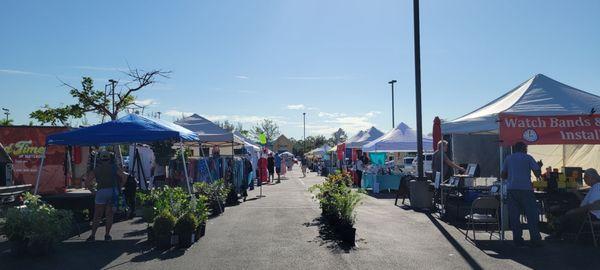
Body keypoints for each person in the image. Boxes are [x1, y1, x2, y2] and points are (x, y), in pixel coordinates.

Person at [501, 142, 543, 247]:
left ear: (514, 149)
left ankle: (517, 239)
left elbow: (503, 175)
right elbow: (537, 174)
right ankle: (535, 238)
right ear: (524, 148)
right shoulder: (528, 158)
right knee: (531, 215)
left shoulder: (508, 158)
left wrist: (511, 175)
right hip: (526, 189)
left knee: (515, 216)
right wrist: (539, 166)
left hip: (512, 189)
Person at [547, 168, 600, 240]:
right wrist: (576, 193)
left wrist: (575, 211)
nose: (584, 180)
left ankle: (557, 229)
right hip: (591, 213)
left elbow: (592, 206)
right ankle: (557, 223)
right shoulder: (595, 187)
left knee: (568, 211)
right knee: (569, 207)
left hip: (593, 216)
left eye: (585, 178)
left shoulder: (597, 188)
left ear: (591, 178)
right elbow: (585, 202)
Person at [86, 150, 128, 242]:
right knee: (109, 215)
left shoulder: (96, 169)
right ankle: (107, 235)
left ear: (100, 159)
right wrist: (120, 186)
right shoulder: (114, 168)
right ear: (110, 158)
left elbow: (87, 182)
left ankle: (92, 236)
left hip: (101, 192)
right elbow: (124, 176)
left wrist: (93, 191)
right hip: (112, 192)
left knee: (97, 215)